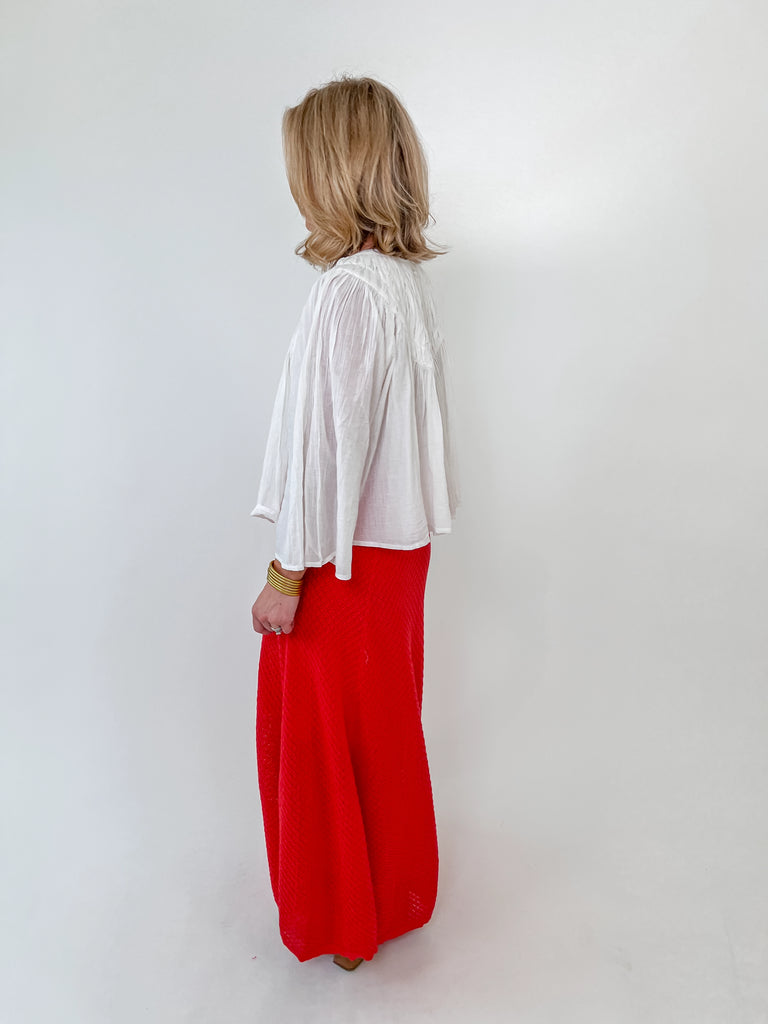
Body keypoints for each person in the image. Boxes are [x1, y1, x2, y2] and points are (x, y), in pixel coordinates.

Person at [249, 74, 461, 971]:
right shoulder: (402, 286)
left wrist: (286, 573)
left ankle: (345, 918)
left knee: (319, 735)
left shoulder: (346, 293)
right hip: (394, 555)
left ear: (331, 172)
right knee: (381, 728)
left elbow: (325, 455)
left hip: (339, 564)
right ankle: (387, 896)